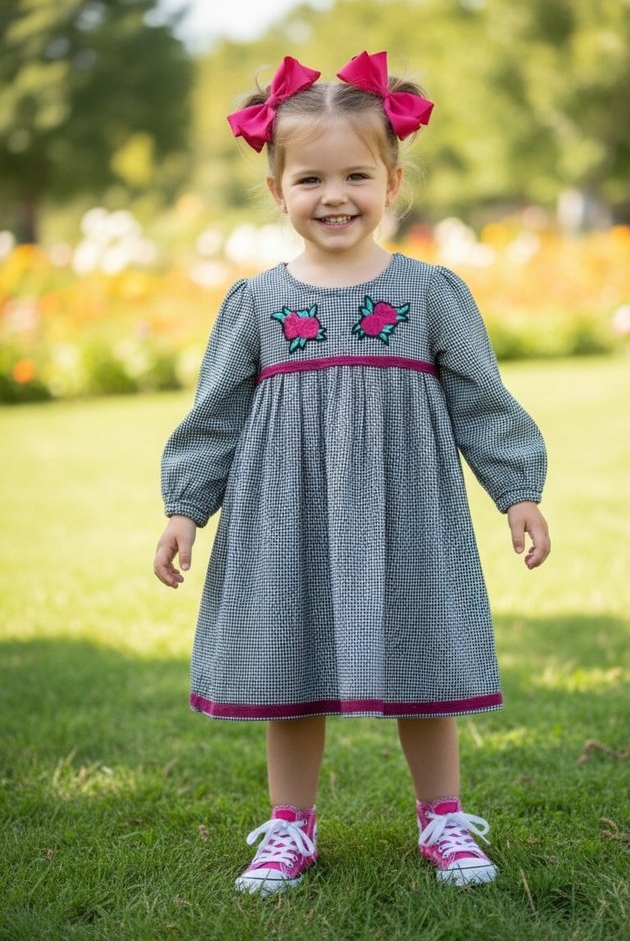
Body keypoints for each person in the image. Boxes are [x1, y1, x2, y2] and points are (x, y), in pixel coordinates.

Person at [154, 50, 550, 896]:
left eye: (356, 176)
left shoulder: (430, 293)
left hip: (408, 511)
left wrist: (517, 490)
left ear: (393, 181)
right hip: (286, 512)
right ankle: (289, 826)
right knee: (289, 665)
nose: (334, 196)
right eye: (310, 179)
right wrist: (185, 508)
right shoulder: (258, 303)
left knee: (423, 656)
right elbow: (214, 414)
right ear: (277, 190)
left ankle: (443, 818)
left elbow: (482, 399)